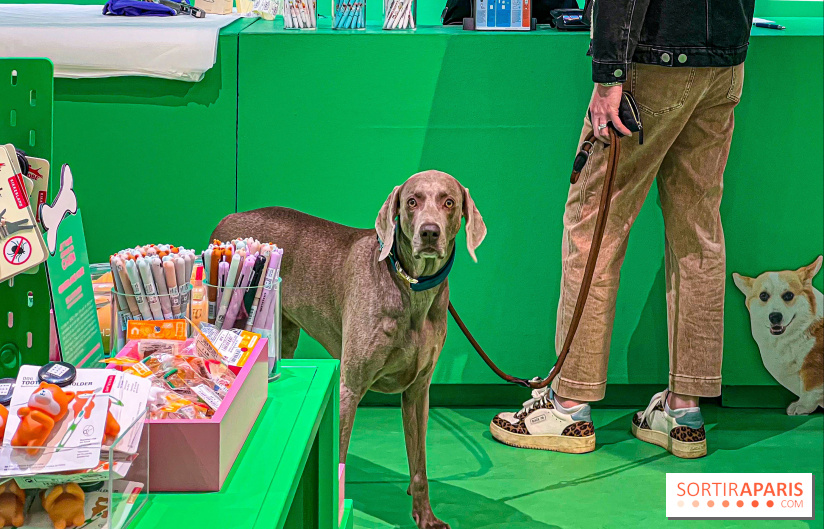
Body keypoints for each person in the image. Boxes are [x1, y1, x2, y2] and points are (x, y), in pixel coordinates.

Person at [490, 0, 755, 458]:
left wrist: (609, 74)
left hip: (654, 61)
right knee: (698, 230)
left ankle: (568, 405)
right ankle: (684, 411)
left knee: (593, 223)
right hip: (725, 62)